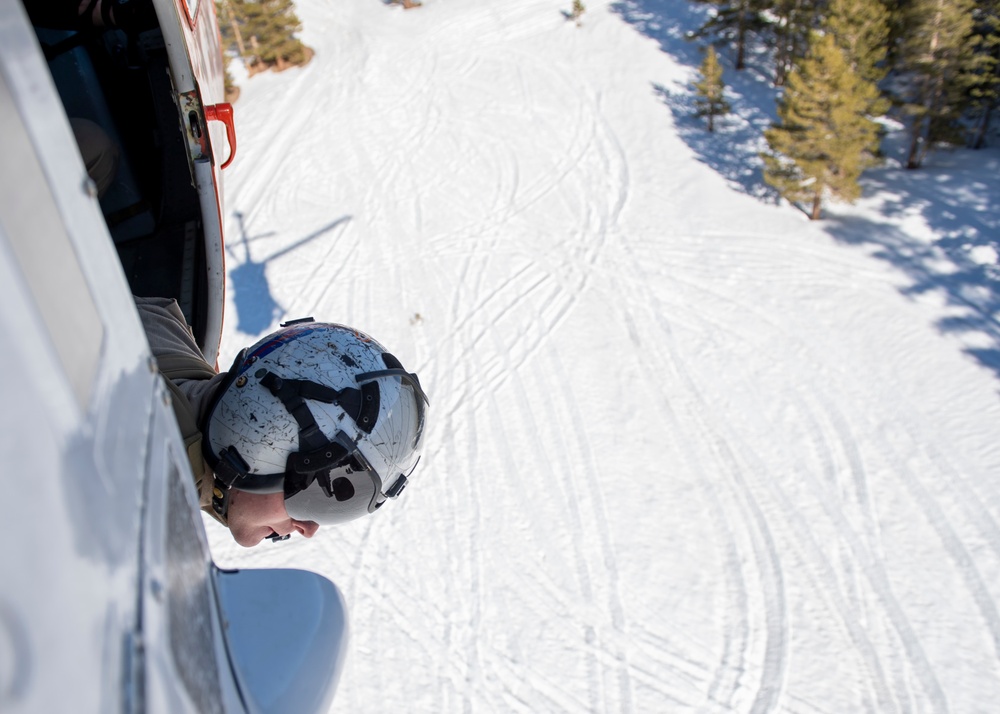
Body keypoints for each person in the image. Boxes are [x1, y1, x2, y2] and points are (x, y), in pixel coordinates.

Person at [137, 297, 429, 547]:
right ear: (254, 441)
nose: (309, 529)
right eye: (309, 495)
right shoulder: (135, 477)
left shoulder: (153, 333)